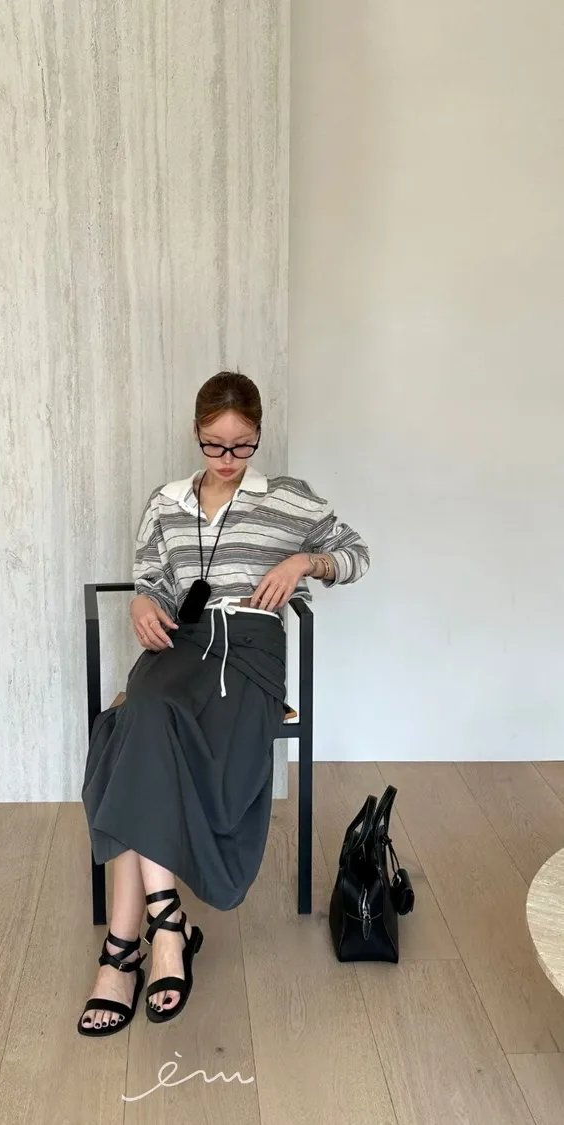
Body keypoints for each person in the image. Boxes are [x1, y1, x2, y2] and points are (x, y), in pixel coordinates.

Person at [78, 371, 369, 1036]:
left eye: (242, 445)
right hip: (180, 645)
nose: (228, 459)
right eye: (215, 445)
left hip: (251, 650)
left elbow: (356, 554)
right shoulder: (166, 503)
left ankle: (124, 952)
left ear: (258, 435)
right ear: (196, 433)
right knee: (139, 719)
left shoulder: (288, 499)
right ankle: (166, 927)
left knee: (134, 730)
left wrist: (303, 564)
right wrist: (143, 603)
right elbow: (152, 578)